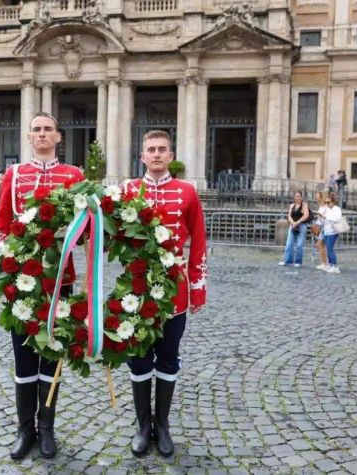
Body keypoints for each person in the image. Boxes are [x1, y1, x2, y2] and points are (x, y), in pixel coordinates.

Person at [0, 112, 84, 460]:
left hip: (60, 280)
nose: (42, 134)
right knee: (23, 357)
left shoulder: (74, 176)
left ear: (58, 137)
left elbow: (85, 228)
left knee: (52, 355)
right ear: (28, 137)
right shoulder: (15, 175)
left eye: (48, 129)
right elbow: (1, 223)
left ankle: (47, 428)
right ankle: (24, 428)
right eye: (36, 129)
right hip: (22, 280)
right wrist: (11, 255)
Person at [122, 130, 207, 458]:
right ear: (142, 156)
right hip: (136, 290)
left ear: (170, 155)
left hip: (175, 293)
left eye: (162, 150)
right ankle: (143, 426)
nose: (156, 155)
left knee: (168, 357)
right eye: (150, 150)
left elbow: (198, 241)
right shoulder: (128, 190)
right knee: (139, 357)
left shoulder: (187, 191)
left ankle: (164, 424)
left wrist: (198, 288)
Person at [279, 191, 311, 267]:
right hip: (292, 226)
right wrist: (293, 222)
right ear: (294, 197)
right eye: (296, 196)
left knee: (299, 244)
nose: (297, 197)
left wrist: (298, 222)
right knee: (289, 243)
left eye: (299, 196)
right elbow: (289, 215)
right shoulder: (292, 205)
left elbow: (306, 215)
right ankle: (288, 261)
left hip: (302, 226)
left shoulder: (304, 205)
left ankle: (298, 262)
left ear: (301, 197)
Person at [319, 193, 342, 273]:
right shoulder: (327, 209)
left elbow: (337, 219)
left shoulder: (337, 209)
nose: (327, 204)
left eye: (328, 202)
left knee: (330, 249)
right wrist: (322, 218)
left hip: (333, 232)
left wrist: (326, 217)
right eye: (325, 202)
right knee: (327, 249)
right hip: (326, 231)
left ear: (333, 202)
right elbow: (325, 221)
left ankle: (334, 266)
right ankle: (329, 264)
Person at [312, 191, 329, 271]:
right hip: (321, 227)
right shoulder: (320, 207)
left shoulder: (325, 207)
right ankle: (325, 263)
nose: (316, 198)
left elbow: (325, 218)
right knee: (322, 246)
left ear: (322, 197)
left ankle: (325, 263)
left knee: (320, 245)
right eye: (316, 196)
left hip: (325, 228)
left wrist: (320, 217)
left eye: (318, 196)